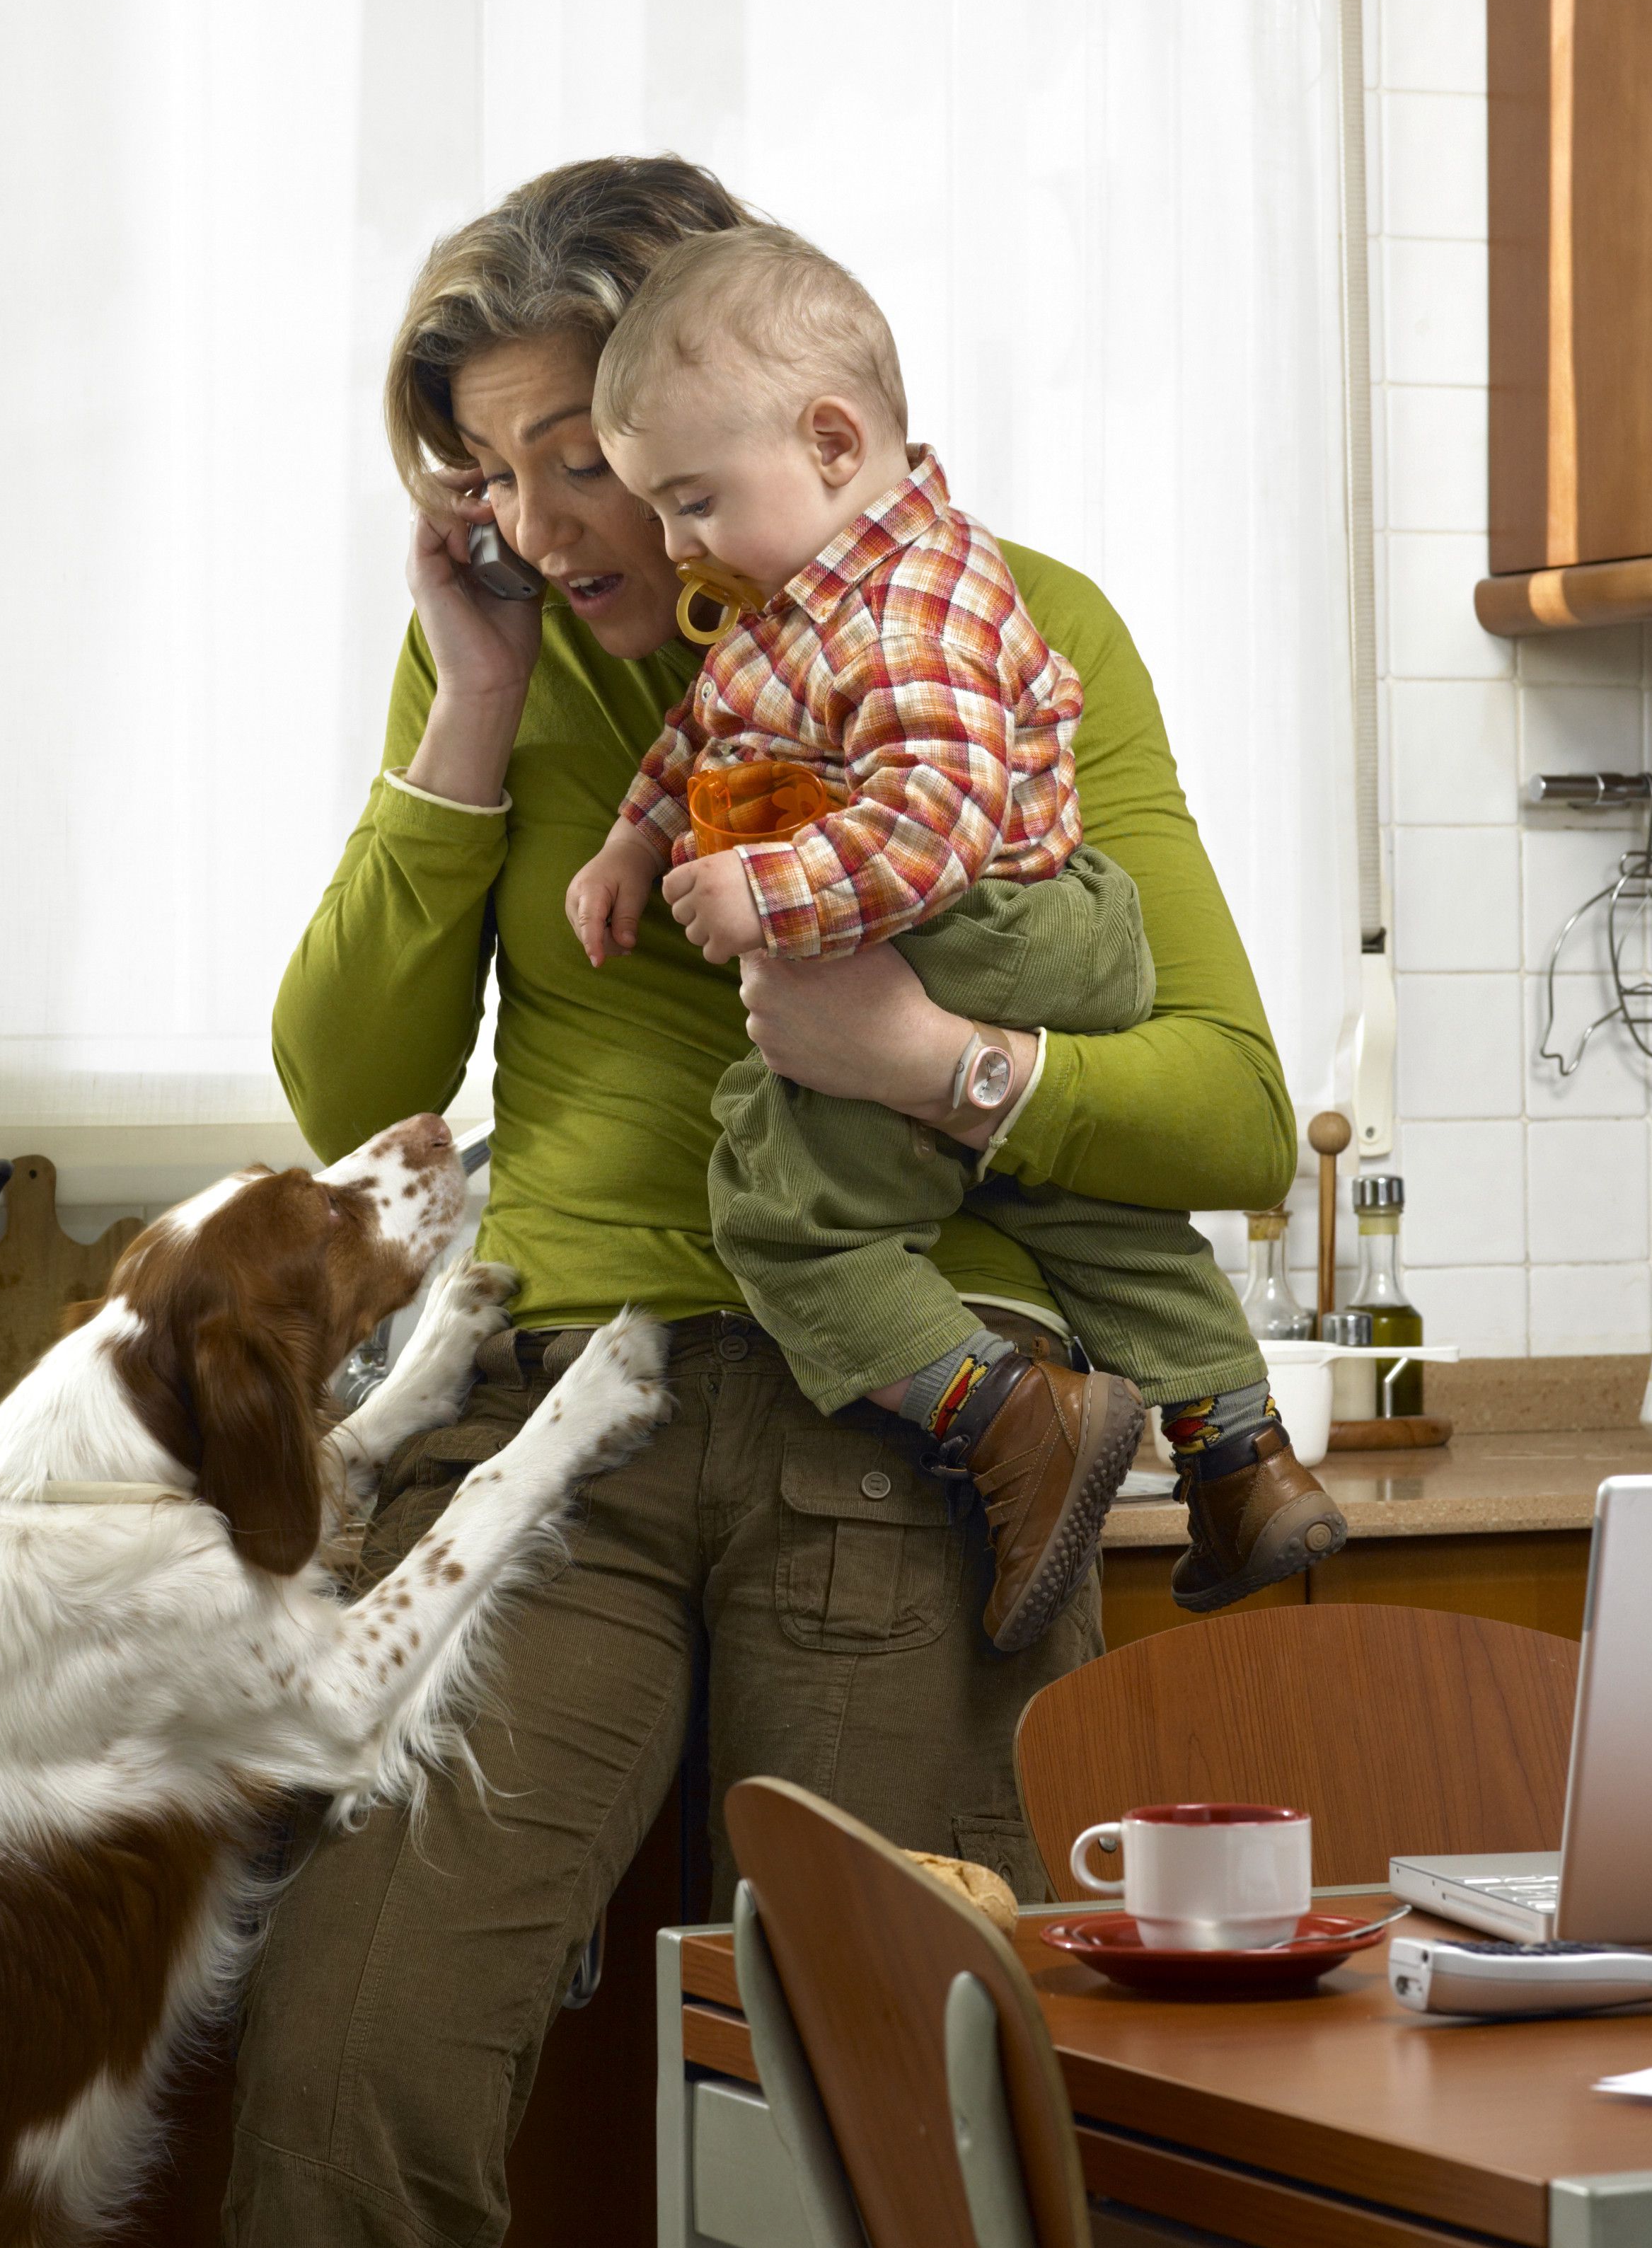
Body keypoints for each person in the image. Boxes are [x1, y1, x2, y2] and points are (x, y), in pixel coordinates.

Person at [225, 155, 1295, 2248]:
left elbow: (1223, 1108)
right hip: (553, 1440)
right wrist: (468, 703)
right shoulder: (507, 666)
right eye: (489, 471)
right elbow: (349, 1070)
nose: (536, 517)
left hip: (917, 1431)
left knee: (912, 2160)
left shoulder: (1015, 626)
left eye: (579, 461)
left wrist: (938, 1061)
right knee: (345, 2073)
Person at [565, 223, 1346, 1649]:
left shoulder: (912, 604)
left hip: (987, 925)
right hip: (1009, 934)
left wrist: (771, 897)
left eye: (690, 502)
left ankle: (1006, 1419)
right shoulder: (801, 596)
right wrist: (634, 839)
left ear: (829, 435)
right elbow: (706, 725)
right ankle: (1241, 1457)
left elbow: (936, 813)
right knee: (1100, 1217)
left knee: (781, 1207)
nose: (672, 543)